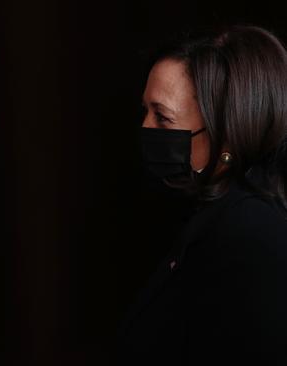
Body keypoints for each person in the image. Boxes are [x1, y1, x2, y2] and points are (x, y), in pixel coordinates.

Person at [117, 25, 287, 364]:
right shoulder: (207, 214)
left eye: (163, 118)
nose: (146, 129)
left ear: (225, 135)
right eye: (145, 112)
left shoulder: (252, 233)